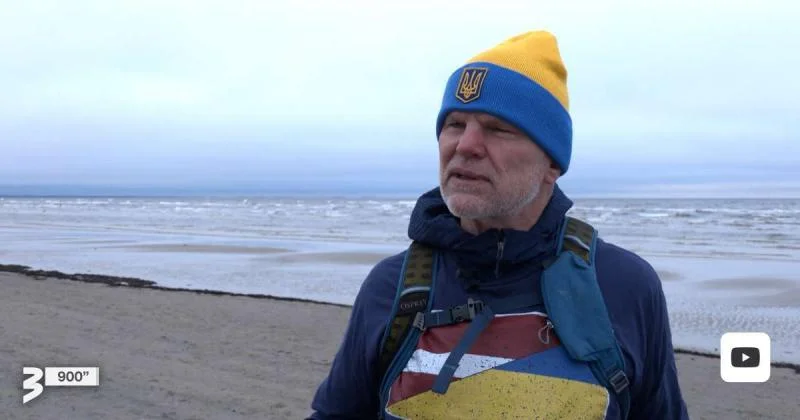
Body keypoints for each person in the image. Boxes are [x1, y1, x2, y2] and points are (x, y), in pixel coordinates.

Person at [307, 30, 689, 419]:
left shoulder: (623, 285)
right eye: (455, 124)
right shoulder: (394, 287)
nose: (465, 145)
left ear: (551, 163)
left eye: (497, 128)